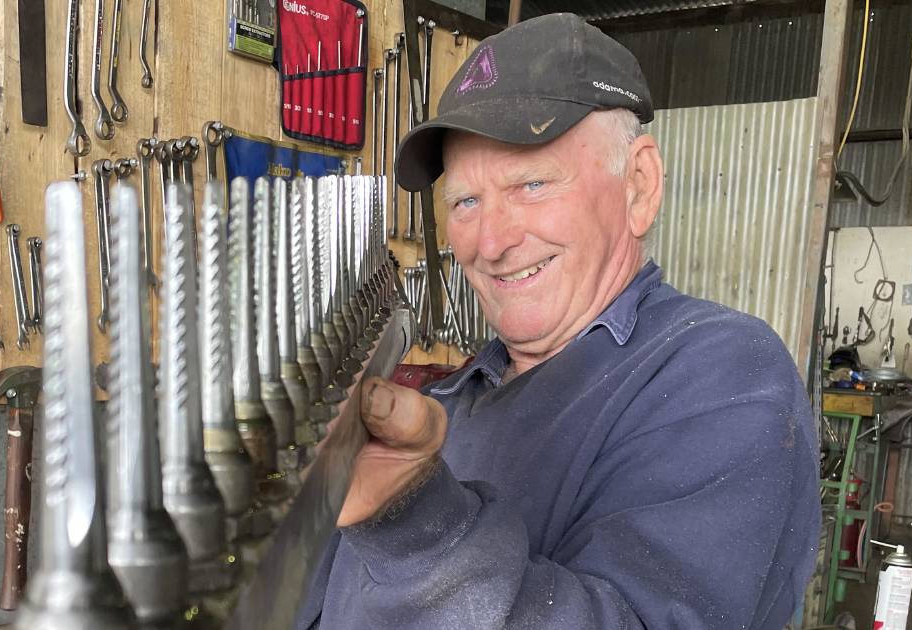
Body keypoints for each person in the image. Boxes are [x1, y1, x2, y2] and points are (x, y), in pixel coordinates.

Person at [297, 13, 820, 630]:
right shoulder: (458, 396)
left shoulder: (725, 378)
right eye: (465, 201)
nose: (489, 242)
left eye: (532, 184)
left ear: (639, 186)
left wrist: (414, 521)